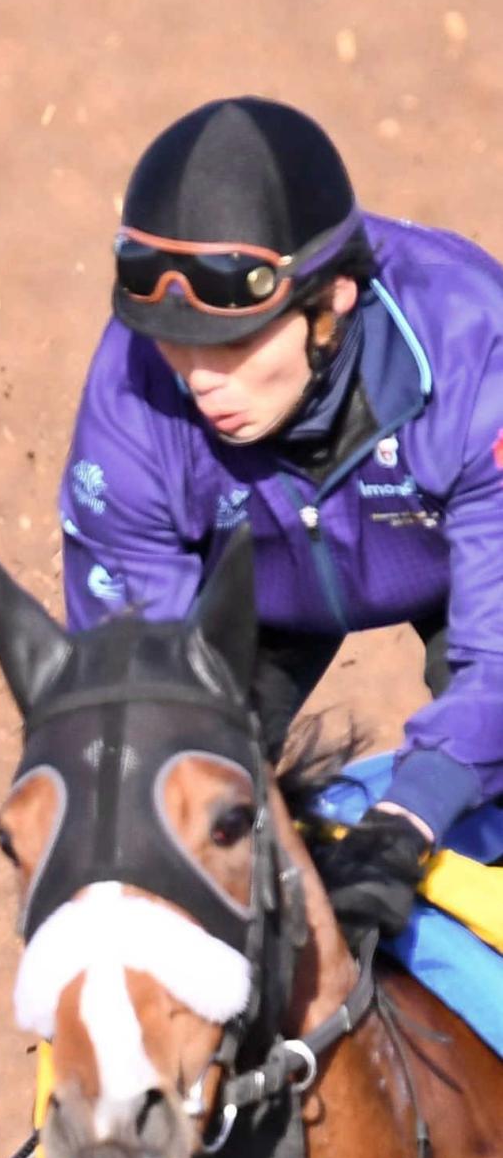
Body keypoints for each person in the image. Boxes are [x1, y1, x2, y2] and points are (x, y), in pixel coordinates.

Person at [59, 94, 503, 945]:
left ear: (332, 303)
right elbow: (141, 689)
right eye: (171, 339)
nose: (195, 378)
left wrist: (407, 824)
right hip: (255, 583)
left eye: (232, 343)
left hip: (457, 565)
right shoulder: (132, 389)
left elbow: (498, 660)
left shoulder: (473, 345)